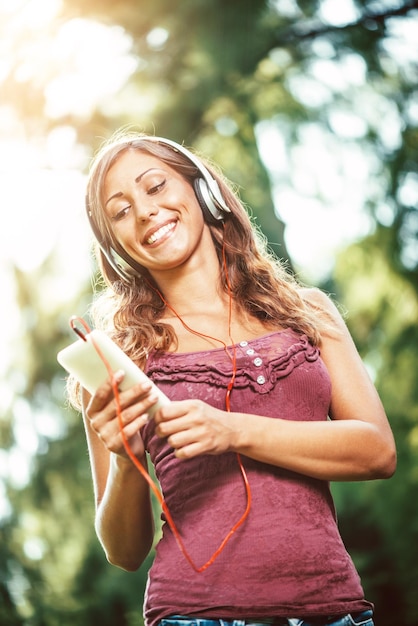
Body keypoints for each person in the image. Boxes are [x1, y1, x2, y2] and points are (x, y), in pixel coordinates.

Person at [67, 130, 396, 626]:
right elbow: (123, 550)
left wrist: (233, 430)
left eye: (155, 186)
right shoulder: (120, 359)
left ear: (203, 189)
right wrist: (125, 457)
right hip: (193, 614)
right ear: (116, 244)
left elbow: (377, 451)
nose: (144, 211)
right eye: (120, 211)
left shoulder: (308, 312)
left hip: (334, 609)